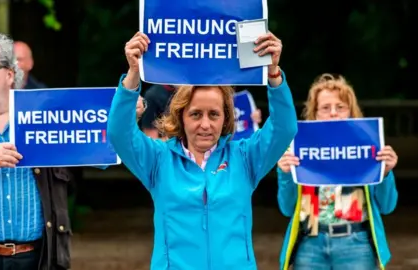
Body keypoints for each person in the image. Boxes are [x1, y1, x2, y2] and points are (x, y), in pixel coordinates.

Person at [0, 30, 146, 270]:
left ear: (10, 74)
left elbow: (104, 152)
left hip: (39, 258)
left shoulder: (45, 115)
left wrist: (123, 115)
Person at [108, 31, 298, 269]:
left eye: (214, 114)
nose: (205, 124)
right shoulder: (158, 159)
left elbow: (285, 127)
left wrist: (273, 74)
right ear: (181, 117)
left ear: (226, 118)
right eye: (196, 114)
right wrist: (133, 74)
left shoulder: (245, 157)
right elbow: (119, 133)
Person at [276, 74, 398, 270]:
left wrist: (386, 173)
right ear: (314, 113)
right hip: (310, 245)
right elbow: (287, 208)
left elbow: (387, 206)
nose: (333, 113)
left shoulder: (369, 149)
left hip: (355, 244)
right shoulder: (300, 151)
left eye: (340, 107)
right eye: (325, 108)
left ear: (351, 112)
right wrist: (285, 174)